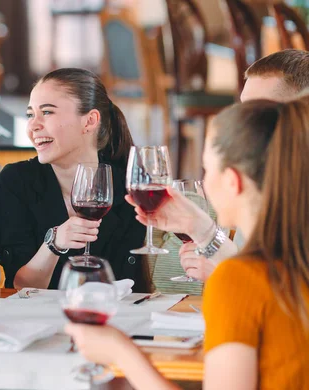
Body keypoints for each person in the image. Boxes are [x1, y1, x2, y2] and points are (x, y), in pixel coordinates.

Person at [67, 97, 309, 389]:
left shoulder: (238, 281)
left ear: (233, 182)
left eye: (207, 171)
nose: (204, 183)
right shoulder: (293, 264)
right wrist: (200, 226)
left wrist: (121, 352)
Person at [130, 49, 309, 282]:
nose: (238, 122)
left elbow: (285, 300)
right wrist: (203, 232)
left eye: (255, 112)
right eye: (241, 108)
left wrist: (227, 276)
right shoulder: (259, 183)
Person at [0, 68, 150, 291]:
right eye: (30, 114)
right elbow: (20, 286)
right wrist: (54, 244)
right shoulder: (17, 182)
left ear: (89, 121)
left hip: (118, 319)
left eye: (47, 112)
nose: (33, 125)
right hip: (36, 320)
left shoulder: (130, 187)